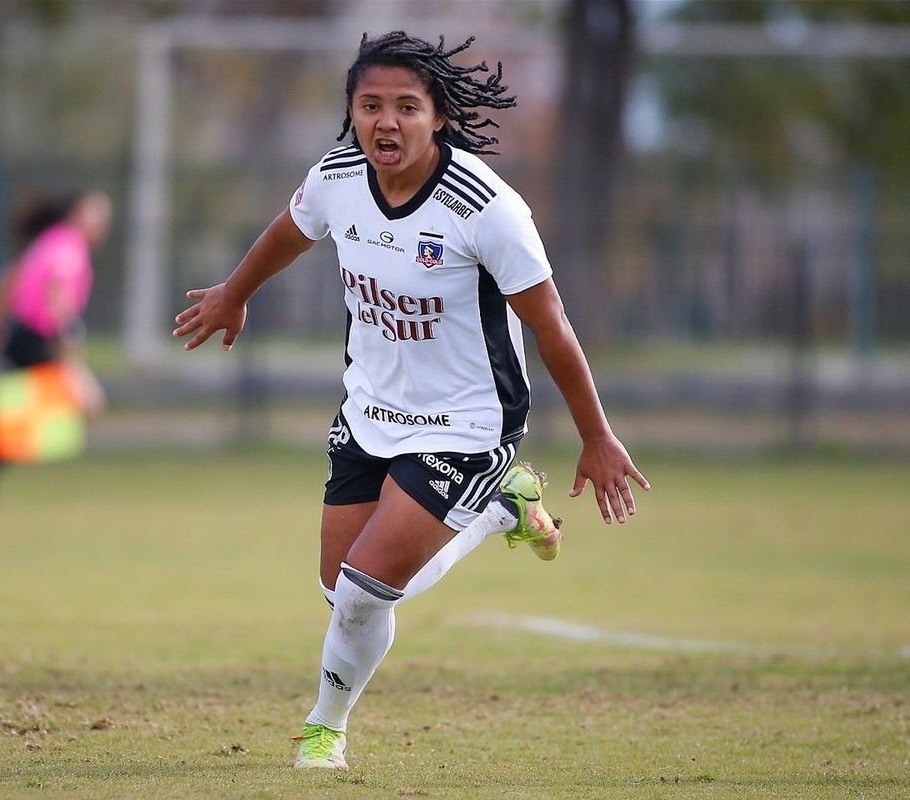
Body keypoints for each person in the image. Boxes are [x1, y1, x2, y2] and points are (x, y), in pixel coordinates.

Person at [173, 31, 650, 770]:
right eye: (370, 106)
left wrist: (596, 433)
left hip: (467, 421)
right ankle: (503, 511)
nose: (385, 122)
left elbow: (550, 325)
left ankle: (323, 731)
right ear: (351, 113)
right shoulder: (336, 178)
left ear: (439, 118)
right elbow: (288, 232)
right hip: (369, 411)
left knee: (364, 593)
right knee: (341, 591)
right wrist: (234, 293)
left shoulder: (486, 208)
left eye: (405, 107)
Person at [0, 190, 112, 503]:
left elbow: (10, 279)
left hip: (23, 336)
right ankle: (39, 455)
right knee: (89, 400)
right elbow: (56, 290)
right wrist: (68, 337)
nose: (100, 225)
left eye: (104, 219)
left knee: (18, 418)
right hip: (39, 338)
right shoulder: (68, 247)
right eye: (94, 216)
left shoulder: (50, 242)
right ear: (74, 216)